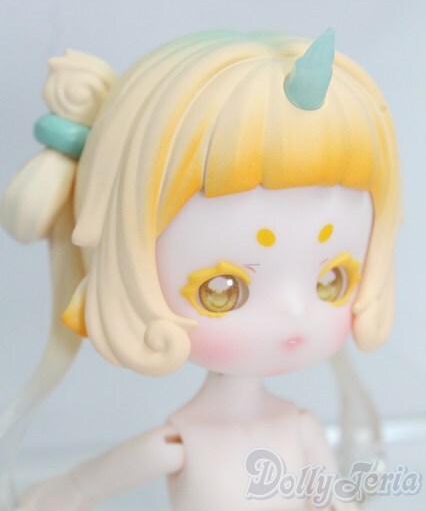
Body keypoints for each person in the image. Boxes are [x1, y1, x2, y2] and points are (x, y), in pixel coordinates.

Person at [0, 29, 401, 510]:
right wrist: (60, 494)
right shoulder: (175, 444)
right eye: (223, 289)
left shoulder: (302, 428)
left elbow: (334, 501)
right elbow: (80, 487)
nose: (296, 311)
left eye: (331, 280)